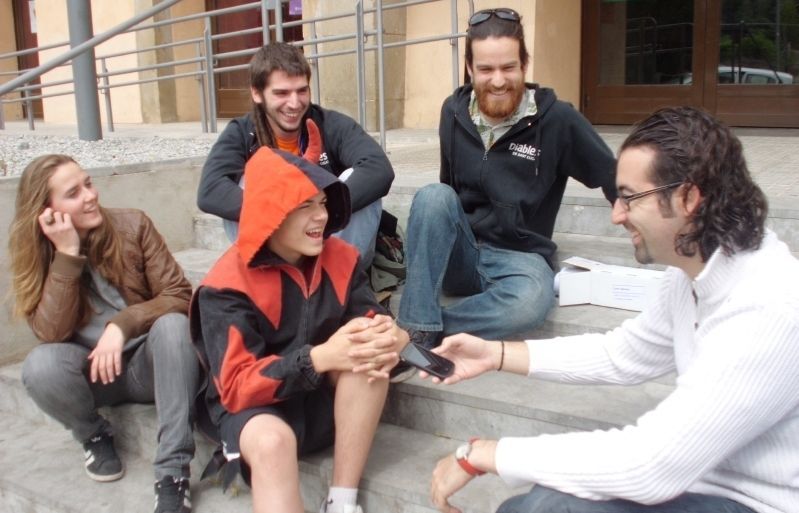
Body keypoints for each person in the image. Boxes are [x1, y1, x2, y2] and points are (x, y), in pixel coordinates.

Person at [426, 106, 799, 513]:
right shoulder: (696, 269)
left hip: (757, 503)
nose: (616, 215)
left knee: (545, 510)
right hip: (702, 484)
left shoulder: (768, 309)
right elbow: (622, 354)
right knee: (537, 504)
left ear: (688, 197)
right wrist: (495, 353)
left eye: (629, 198)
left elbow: (649, 465)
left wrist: (486, 453)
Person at [190, 134, 409, 513]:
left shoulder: (340, 256)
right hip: (255, 414)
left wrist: (390, 334)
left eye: (323, 203)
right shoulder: (225, 284)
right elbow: (238, 387)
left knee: (368, 359)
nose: (322, 217)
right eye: (305, 206)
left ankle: (341, 501)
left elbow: (369, 317)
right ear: (271, 214)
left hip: (319, 404)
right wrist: (319, 358)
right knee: (273, 443)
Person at [396, 7, 617, 355]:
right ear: (470, 68)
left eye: (507, 67)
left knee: (529, 304)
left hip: (520, 257)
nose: (498, 80)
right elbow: (446, 192)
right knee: (433, 196)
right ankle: (418, 324)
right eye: (486, 69)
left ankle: (422, 327)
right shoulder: (452, 113)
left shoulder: (557, 119)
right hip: (463, 254)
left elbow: (612, 174)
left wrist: (648, 216)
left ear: (524, 64)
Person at [9, 154, 200, 513]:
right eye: (73, 193)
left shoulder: (133, 225)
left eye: (88, 183)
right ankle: (94, 435)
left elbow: (179, 295)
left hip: (151, 363)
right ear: (47, 210)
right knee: (39, 366)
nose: (90, 195)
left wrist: (121, 325)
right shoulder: (38, 254)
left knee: (174, 326)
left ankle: (173, 471)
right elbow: (51, 332)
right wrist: (67, 255)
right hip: (94, 375)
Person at [197, 41, 394, 267]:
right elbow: (210, 190)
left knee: (356, 179)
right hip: (275, 248)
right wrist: (285, 212)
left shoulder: (331, 124)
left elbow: (379, 169)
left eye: (302, 90)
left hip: (330, 243)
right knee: (246, 181)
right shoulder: (241, 131)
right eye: (281, 93)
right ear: (257, 93)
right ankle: (270, 274)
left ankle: (338, 282)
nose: (294, 103)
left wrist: (319, 207)